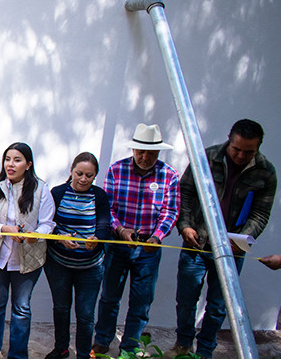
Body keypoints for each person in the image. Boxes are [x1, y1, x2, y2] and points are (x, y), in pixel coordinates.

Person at [166, 119, 276, 359]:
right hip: (196, 243)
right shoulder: (206, 157)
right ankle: (182, 345)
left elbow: (260, 213)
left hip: (232, 250)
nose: (241, 156)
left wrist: (242, 238)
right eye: (237, 149)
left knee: (218, 305)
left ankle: (205, 351)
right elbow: (185, 192)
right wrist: (185, 226)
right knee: (186, 300)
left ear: (258, 148)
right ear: (229, 139)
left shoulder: (266, 172)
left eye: (249, 152)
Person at [92, 123, 179, 356]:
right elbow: (107, 208)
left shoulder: (169, 175)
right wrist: (120, 230)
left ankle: (129, 347)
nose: (145, 157)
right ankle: (102, 342)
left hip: (149, 249)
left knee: (141, 302)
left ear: (158, 152)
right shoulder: (117, 170)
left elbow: (170, 211)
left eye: (151, 153)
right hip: (119, 244)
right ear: (133, 150)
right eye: (140, 152)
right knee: (109, 298)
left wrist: (157, 236)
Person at [0, 142, 56, 359]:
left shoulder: (41, 189)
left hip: (28, 259)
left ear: (28, 165)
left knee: (21, 309)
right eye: (7, 159)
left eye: (17, 160)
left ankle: (18, 355)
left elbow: (47, 223)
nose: (10, 165)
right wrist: (5, 229)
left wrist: (34, 235)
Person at [44, 152, 111, 359]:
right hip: (59, 263)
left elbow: (104, 225)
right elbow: (47, 223)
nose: (83, 179)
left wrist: (97, 239)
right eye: (79, 173)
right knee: (61, 308)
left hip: (90, 266)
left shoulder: (99, 196)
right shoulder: (57, 192)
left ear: (95, 176)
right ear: (71, 171)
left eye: (89, 176)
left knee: (85, 314)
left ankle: (83, 354)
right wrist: (60, 237)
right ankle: (61, 348)